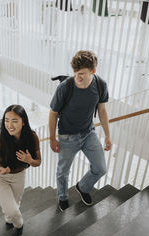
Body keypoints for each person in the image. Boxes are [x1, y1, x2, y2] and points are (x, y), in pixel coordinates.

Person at [49, 50, 112, 212]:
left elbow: (102, 111)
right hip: (67, 136)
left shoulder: (100, 85)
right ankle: (62, 197)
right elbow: (53, 113)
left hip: (88, 133)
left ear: (93, 71)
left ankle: (83, 187)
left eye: (82, 73)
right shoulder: (65, 87)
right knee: (63, 172)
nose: (78, 76)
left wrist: (107, 135)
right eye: (76, 72)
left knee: (101, 168)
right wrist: (52, 139)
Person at [0, 104, 41, 236]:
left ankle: (9, 219)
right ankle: (19, 225)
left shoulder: (32, 137)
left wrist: (29, 160)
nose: (9, 125)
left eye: (15, 121)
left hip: (19, 175)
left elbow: (38, 162)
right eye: (6, 120)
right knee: (13, 211)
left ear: (23, 122)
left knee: (15, 204)